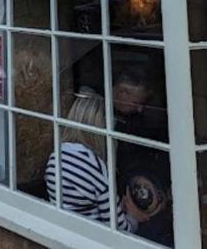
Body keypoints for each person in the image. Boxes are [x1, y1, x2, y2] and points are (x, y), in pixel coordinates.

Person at [45, 88, 136, 232]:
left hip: (64, 230)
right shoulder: (95, 166)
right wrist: (134, 217)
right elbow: (119, 229)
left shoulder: (56, 156)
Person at [113, 69, 173, 245]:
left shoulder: (138, 120)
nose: (140, 109)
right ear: (122, 93)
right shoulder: (99, 115)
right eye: (135, 102)